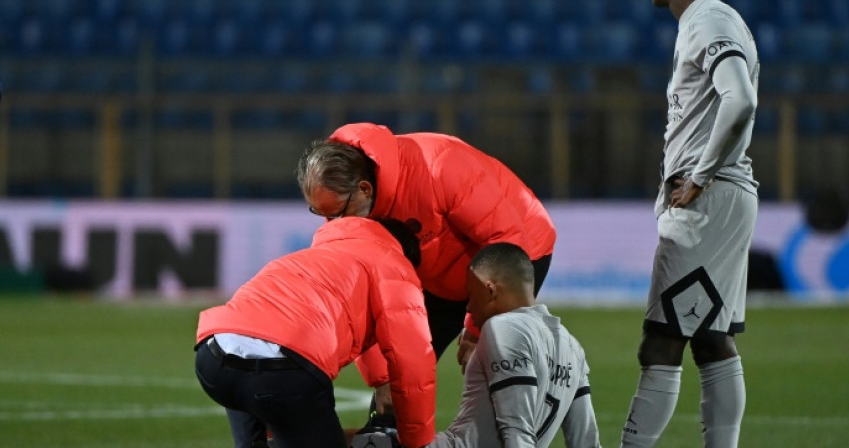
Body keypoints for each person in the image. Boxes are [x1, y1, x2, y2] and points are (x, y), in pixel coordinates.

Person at [295, 122, 557, 416]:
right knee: (400, 382)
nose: (333, 226)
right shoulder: (350, 203)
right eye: (321, 214)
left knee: (497, 368)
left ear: (364, 189)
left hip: (515, 255)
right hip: (439, 278)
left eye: (337, 214)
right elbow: (362, 297)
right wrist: (385, 377)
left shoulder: (441, 167)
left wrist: (475, 327)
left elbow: (507, 242)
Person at [620, 0, 759, 448]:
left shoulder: (708, 21)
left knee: (661, 340)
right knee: (709, 336)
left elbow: (740, 99)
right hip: (725, 193)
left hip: (710, 196)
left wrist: (699, 175)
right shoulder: (713, 20)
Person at [194, 217, 436, 448]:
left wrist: (381, 380)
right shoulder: (396, 266)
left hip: (213, 356)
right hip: (280, 370)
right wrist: (415, 439)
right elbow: (413, 361)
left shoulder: (319, 256)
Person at [351, 243, 600, 448]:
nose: (468, 308)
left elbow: (516, 430)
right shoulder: (572, 346)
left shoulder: (504, 328)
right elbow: (585, 440)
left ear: (490, 290)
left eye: (471, 295)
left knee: (332, 438)